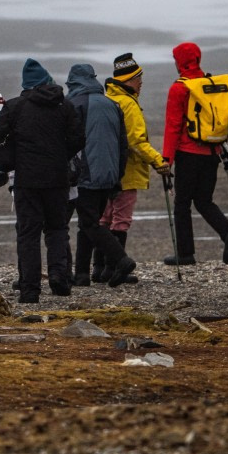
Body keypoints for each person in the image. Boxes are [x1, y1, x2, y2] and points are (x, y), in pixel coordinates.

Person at [0, 58, 84, 304]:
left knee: (28, 234)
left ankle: (30, 290)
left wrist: (13, 149)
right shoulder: (64, 105)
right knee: (57, 229)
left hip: (27, 180)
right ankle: (60, 279)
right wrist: (61, 154)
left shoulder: (16, 106)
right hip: (58, 178)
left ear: (26, 83)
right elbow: (78, 138)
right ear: (46, 81)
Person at [80, 53, 170, 285]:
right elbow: (136, 142)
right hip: (127, 172)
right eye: (139, 78)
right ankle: (114, 268)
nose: (141, 82)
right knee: (121, 219)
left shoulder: (108, 99)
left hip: (106, 170)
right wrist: (158, 162)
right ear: (129, 79)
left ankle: (99, 269)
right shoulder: (128, 104)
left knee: (105, 217)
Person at [162, 42, 228, 266]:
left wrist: (166, 160)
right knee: (204, 201)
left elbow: (173, 126)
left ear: (179, 62)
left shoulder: (180, 88)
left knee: (182, 203)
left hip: (187, 154)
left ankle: (185, 254)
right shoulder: (212, 83)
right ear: (198, 58)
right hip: (212, 152)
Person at [63, 63, 137, 290]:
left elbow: (69, 142)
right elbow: (123, 144)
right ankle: (82, 275)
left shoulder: (74, 104)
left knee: (89, 223)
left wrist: (68, 172)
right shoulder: (112, 104)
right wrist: (117, 174)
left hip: (85, 173)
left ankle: (121, 260)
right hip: (109, 174)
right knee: (89, 223)